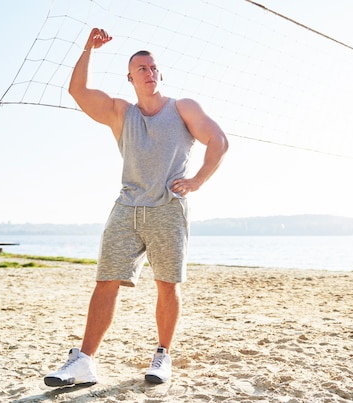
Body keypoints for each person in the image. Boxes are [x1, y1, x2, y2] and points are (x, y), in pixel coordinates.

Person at [43, 28, 228, 387]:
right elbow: (77, 91)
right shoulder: (119, 112)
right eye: (141, 68)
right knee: (105, 281)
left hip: (166, 208)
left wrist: (198, 181)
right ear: (130, 77)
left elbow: (218, 140)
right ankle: (84, 362)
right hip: (127, 208)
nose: (148, 72)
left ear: (160, 74)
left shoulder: (182, 108)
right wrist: (87, 49)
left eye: (153, 67)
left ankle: (162, 356)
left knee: (167, 284)